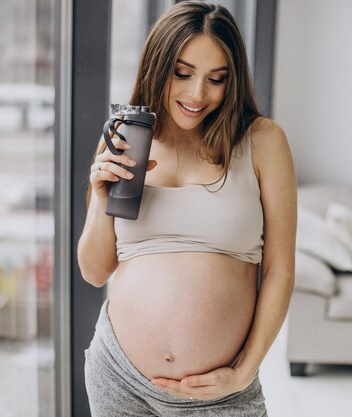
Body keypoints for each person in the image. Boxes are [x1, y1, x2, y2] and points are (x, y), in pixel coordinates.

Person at [77, 2, 296, 416]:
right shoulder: (125, 136)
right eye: (183, 73)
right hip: (119, 378)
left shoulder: (262, 140)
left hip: (222, 390)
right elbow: (94, 271)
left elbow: (280, 270)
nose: (198, 94)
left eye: (217, 79)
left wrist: (245, 372)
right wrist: (100, 196)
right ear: (157, 67)